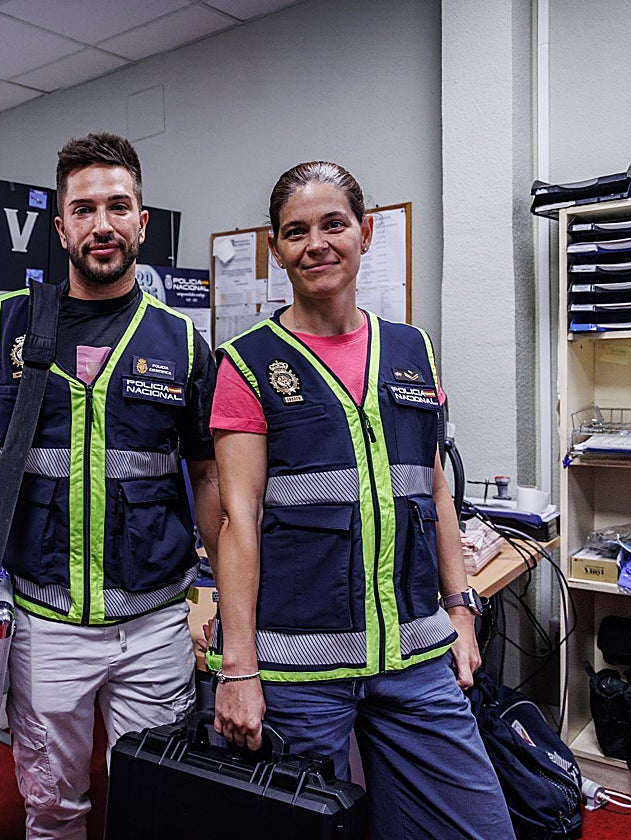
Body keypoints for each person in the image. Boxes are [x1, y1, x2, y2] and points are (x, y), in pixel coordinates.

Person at [0, 132, 220, 839]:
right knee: (52, 809)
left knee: (153, 804)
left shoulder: (183, 343)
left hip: (155, 624)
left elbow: (206, 472)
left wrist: (226, 594)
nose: (102, 224)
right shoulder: (11, 325)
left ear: (142, 220)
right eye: (84, 209)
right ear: (61, 227)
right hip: (46, 626)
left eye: (118, 206)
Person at [210, 161, 515, 839]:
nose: (315, 243)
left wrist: (462, 611)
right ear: (276, 247)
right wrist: (237, 669)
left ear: (365, 233)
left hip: (414, 656)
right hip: (299, 668)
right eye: (295, 231)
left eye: (333, 224)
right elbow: (239, 522)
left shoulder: (414, 351)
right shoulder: (247, 363)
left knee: (479, 828)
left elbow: (433, 488)